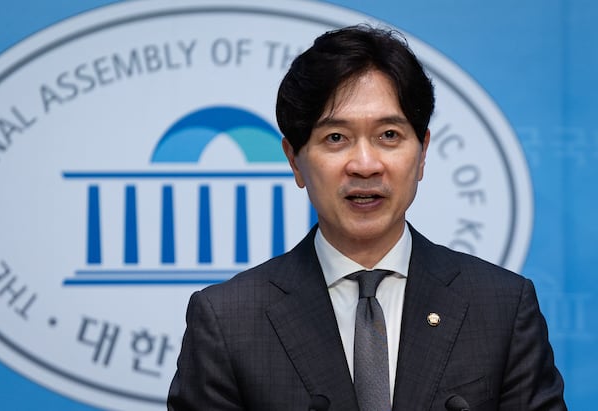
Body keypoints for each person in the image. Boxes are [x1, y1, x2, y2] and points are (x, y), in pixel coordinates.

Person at [167, 25, 566, 411]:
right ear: (295, 161)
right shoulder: (228, 320)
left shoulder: (500, 307)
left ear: (422, 153)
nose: (364, 164)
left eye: (389, 135)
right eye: (335, 138)